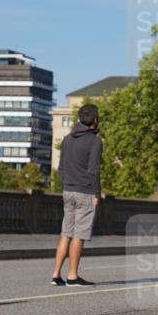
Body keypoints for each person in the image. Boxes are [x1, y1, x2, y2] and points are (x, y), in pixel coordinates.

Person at [52, 104, 103, 286]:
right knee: (79, 235)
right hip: (85, 191)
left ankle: (56, 275)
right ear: (95, 120)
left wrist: (68, 184)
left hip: (68, 190)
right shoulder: (95, 141)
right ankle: (72, 276)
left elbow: (61, 168)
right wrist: (97, 194)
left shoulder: (67, 139)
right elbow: (94, 170)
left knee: (66, 233)